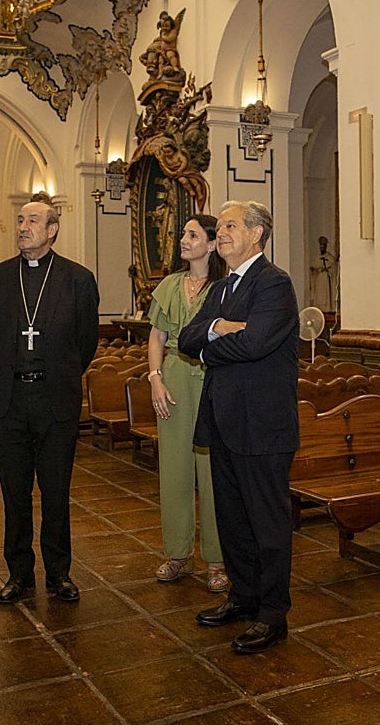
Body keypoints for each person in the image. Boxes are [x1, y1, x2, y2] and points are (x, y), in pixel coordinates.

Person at [178, 200, 299, 654]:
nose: (221, 233)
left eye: (230, 225)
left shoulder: (274, 283)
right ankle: (243, 597)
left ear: (256, 233)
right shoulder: (222, 287)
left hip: (263, 426)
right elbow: (185, 337)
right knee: (232, 520)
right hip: (224, 422)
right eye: (221, 226)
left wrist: (209, 346)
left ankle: (272, 614)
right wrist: (218, 327)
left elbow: (255, 343)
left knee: (267, 524)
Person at [0, 196, 99, 605]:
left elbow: (86, 343)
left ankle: (58, 573)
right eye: (20, 220)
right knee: (14, 494)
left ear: (52, 230)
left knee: (55, 492)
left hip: (55, 401)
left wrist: (60, 374)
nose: (23, 227)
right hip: (8, 401)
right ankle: (18, 573)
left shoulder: (77, 279)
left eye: (33, 220)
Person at [147, 213, 228, 592]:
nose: (183, 239)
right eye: (183, 233)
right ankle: (177, 553)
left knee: (213, 472)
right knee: (174, 469)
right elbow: (157, 338)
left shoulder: (225, 288)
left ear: (211, 244)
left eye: (192, 235)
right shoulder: (169, 285)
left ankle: (218, 559)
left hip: (213, 377)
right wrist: (155, 378)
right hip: (175, 378)